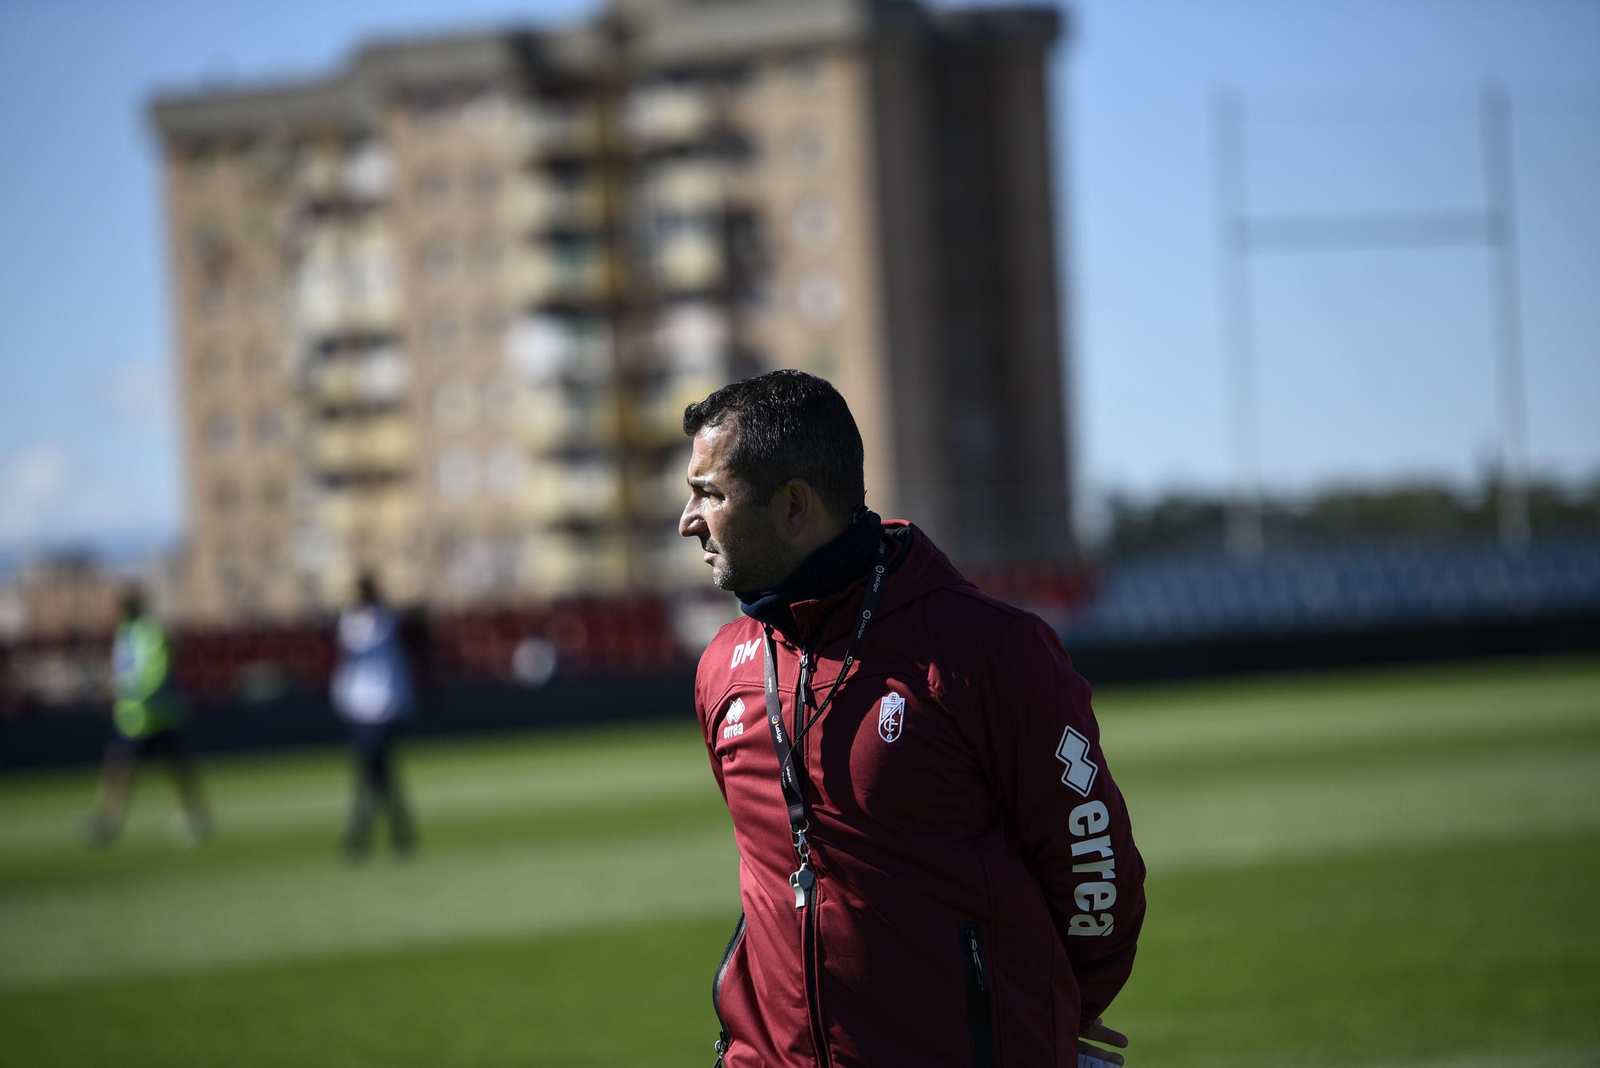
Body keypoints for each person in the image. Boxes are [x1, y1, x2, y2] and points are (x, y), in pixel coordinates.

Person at [679, 371, 1144, 1068]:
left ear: (794, 507)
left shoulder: (988, 649)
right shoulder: (723, 667)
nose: (688, 519)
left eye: (709, 493)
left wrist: (1041, 1008)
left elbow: (1092, 864)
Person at [86, 587, 210, 847]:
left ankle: (195, 815)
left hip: (156, 714)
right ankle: (108, 821)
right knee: (119, 769)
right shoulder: (124, 633)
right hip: (132, 717)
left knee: (176, 767)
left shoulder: (150, 632)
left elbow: (155, 671)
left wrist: (127, 691)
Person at [331, 572, 418, 861]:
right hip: (361, 710)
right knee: (377, 777)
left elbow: (365, 642)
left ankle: (366, 838)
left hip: (383, 708)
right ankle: (397, 836)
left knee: (374, 776)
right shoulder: (353, 621)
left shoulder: (382, 620)